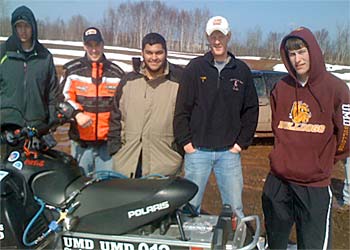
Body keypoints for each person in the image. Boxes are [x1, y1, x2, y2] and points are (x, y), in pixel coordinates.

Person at [262, 27, 350, 249]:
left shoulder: (337, 89)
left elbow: (347, 134)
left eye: (301, 51)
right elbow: (277, 128)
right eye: (291, 54)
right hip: (279, 182)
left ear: (313, 51)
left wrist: (324, 160)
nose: (297, 59)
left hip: (314, 186)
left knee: (312, 245)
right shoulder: (281, 88)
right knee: (276, 242)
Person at [173, 16, 259, 218]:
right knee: (189, 207)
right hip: (197, 153)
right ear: (207, 38)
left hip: (228, 154)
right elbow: (181, 109)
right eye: (213, 36)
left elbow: (251, 110)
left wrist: (240, 144)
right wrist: (186, 143)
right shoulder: (195, 68)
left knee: (235, 208)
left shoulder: (242, 70)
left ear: (229, 36)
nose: (217, 41)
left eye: (221, 36)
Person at [107, 32, 184, 178]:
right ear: (142, 53)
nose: (154, 58)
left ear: (166, 53)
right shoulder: (128, 81)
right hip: (128, 161)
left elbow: (186, 119)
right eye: (149, 53)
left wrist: (178, 150)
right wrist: (115, 148)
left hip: (164, 163)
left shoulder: (178, 82)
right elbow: (116, 117)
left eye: (158, 53)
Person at [60, 27, 124, 176]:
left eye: (97, 45)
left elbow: (123, 106)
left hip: (106, 145)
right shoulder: (72, 70)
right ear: (84, 46)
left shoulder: (116, 72)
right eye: (90, 45)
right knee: (81, 185)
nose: (94, 49)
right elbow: (61, 98)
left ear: (102, 45)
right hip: (81, 144)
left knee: (106, 187)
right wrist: (76, 114)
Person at [0, 5, 59, 129]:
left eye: (26, 26)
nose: (23, 31)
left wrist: (51, 121)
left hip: (36, 126)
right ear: (14, 28)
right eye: (19, 26)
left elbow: (52, 92)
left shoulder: (45, 56)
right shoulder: (3, 53)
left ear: (33, 27)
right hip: (7, 125)